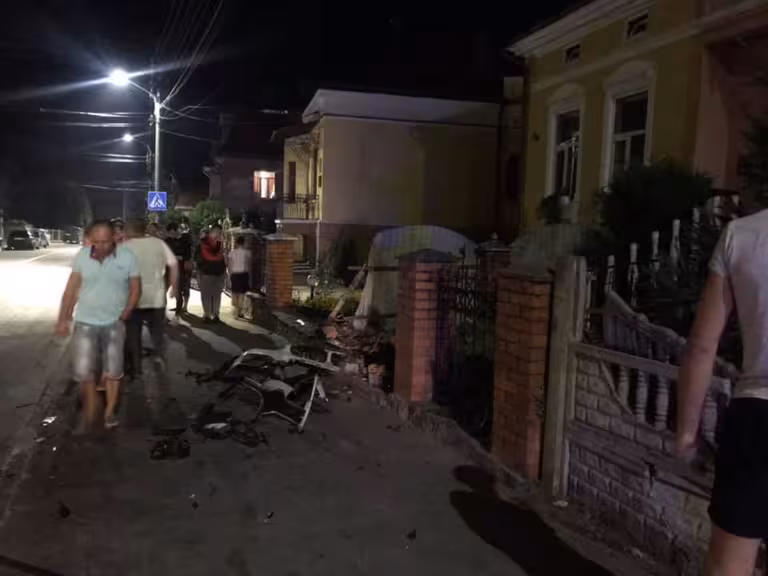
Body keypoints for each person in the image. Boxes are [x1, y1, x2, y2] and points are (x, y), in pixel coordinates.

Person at [676, 210, 768, 575]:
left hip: (758, 415)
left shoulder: (741, 235)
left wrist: (687, 435)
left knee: (728, 564)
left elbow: (702, 346)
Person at [56, 220, 140, 431]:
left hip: (114, 323)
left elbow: (135, 288)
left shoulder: (127, 257)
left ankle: (109, 411)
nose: (100, 246)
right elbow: (71, 288)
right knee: (83, 371)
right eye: (96, 242)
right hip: (85, 322)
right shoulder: (83, 256)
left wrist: (128, 310)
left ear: (114, 238)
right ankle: (91, 404)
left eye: (105, 241)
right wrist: (63, 317)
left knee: (113, 371)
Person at [124, 219, 178, 377]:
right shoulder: (158, 244)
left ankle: (136, 368)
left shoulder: (125, 247)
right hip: (156, 297)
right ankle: (159, 356)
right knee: (157, 332)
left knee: (133, 335)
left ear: (131, 230)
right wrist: (174, 286)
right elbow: (174, 264)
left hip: (134, 299)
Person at [196, 224, 227, 323]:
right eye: (216, 232)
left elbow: (223, 258)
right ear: (211, 232)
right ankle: (207, 314)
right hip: (206, 273)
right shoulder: (203, 243)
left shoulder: (220, 244)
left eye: (219, 232)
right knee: (207, 295)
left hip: (219, 273)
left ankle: (215, 314)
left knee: (216, 295)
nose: (218, 234)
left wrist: (224, 271)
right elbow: (198, 259)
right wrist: (199, 273)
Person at [165, 222, 193, 317]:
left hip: (179, 269)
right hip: (168, 269)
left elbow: (187, 255)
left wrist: (178, 257)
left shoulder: (184, 241)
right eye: (170, 232)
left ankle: (178, 313)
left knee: (178, 291)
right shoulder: (167, 240)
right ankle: (164, 314)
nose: (171, 234)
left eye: (173, 232)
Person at [228, 236, 251, 318]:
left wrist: (230, 275)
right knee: (242, 293)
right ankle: (240, 311)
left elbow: (230, 265)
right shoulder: (247, 253)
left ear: (236, 243)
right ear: (244, 243)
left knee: (235, 292)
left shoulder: (232, 253)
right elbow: (248, 265)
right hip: (244, 274)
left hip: (234, 274)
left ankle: (235, 310)